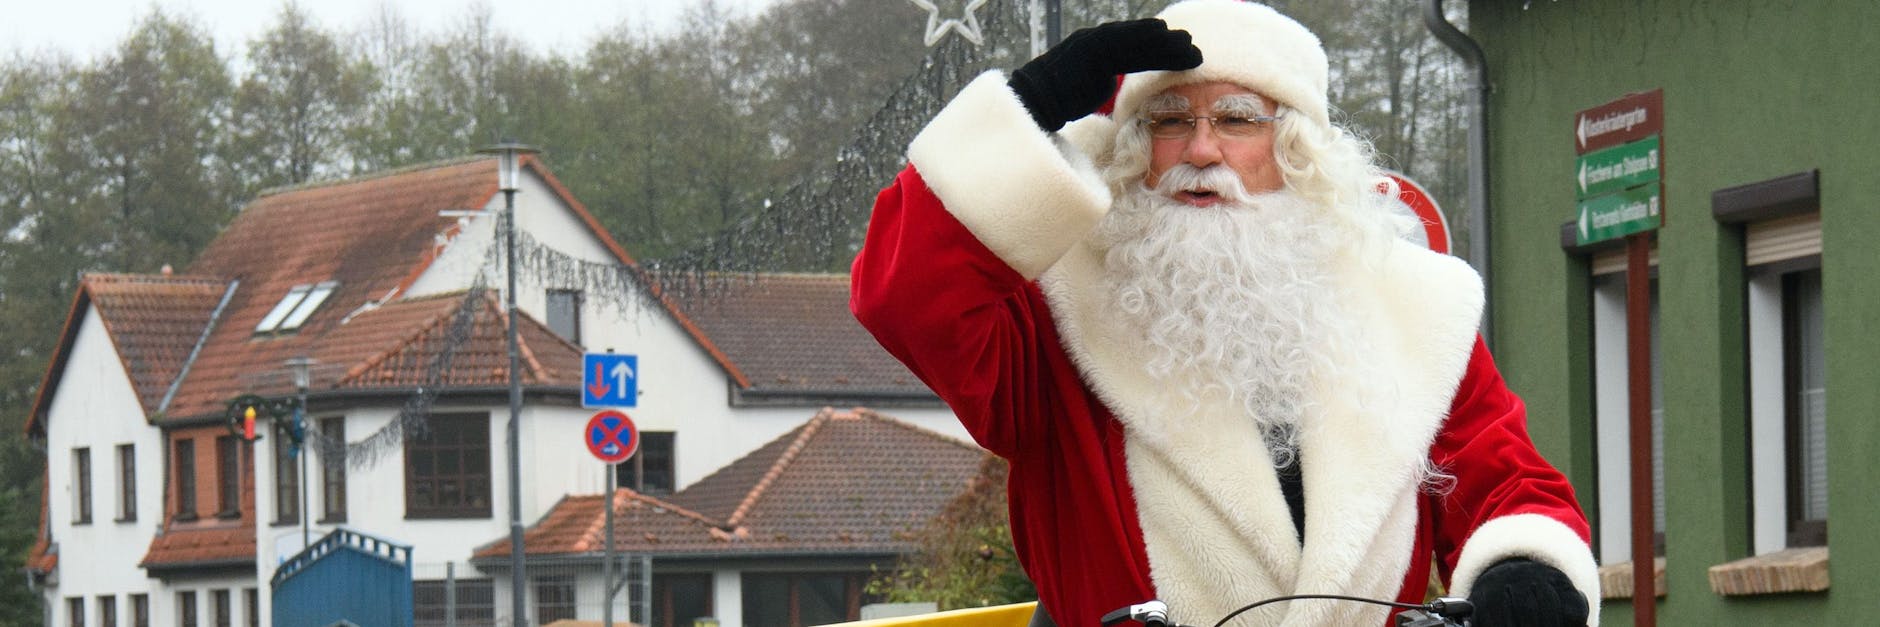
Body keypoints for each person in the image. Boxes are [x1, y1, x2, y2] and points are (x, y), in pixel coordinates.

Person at [850, 1, 1599, 625]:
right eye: (1170, 121)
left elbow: (1507, 482)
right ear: (1136, 148)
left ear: (1297, 147)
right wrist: (1024, 111)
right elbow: (904, 295)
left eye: (1238, 119)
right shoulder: (1056, 312)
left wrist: (1524, 568)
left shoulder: (1412, 306)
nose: (1202, 149)